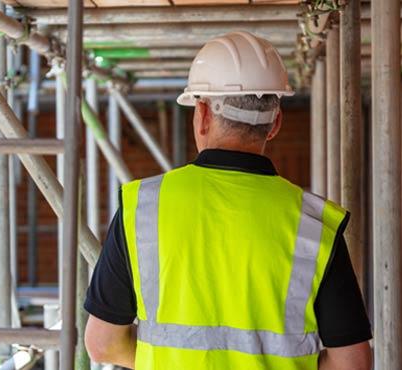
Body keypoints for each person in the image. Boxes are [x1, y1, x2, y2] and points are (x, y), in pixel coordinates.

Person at [83, 31, 372, 370]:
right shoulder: (314, 224)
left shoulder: (143, 207)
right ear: (275, 122)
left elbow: (102, 344)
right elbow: (352, 362)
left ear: (202, 113)